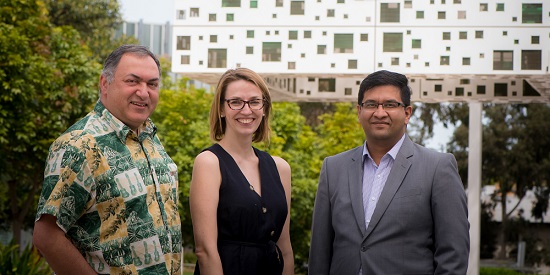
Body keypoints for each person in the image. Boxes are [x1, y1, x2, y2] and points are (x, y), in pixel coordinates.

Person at [33, 45, 182, 275]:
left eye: (152, 84)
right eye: (133, 81)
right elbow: (46, 236)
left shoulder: (150, 139)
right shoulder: (80, 144)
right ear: (105, 84)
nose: (144, 92)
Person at [308, 70, 469, 274]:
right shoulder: (333, 168)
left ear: (407, 113)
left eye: (390, 105)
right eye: (371, 104)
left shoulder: (438, 167)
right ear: (359, 111)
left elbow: (453, 255)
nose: (380, 112)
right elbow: (319, 253)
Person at [190, 68, 294, 275]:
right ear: (221, 109)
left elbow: (286, 248)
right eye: (236, 102)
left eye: (255, 102)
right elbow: (205, 251)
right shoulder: (209, 163)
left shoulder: (281, 168)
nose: (246, 110)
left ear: (264, 108)